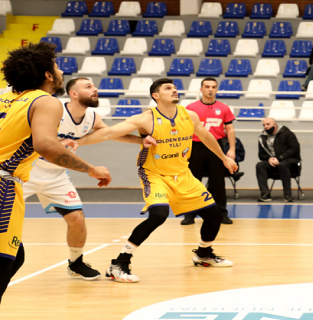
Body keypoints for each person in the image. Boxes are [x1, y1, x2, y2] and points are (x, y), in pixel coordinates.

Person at [75, 78, 238, 283]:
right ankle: (119, 263)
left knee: (214, 215)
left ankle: (203, 254)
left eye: (175, 87)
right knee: (159, 214)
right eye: (168, 88)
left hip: (182, 174)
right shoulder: (146, 118)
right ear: (156, 96)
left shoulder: (189, 115)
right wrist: (76, 142)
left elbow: (206, 137)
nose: (174, 90)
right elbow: (109, 133)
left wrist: (224, 158)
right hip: (155, 174)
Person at [0, 43, 110, 303]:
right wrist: (90, 168)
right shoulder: (45, 101)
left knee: (16, 256)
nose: (61, 72)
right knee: (4, 262)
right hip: (4, 184)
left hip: (18, 178)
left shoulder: (5, 96)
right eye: (57, 67)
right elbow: (46, 145)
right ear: (48, 75)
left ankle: (76, 262)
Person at [24, 77, 143, 280]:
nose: (95, 89)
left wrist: (142, 140)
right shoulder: (54, 110)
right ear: (73, 94)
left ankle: (75, 263)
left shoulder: (92, 117)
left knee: (77, 218)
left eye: (94, 86)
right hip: (27, 172)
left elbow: (109, 133)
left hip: (57, 176)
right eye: (88, 87)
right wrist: (87, 166)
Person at [182, 78, 237, 225]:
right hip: (195, 147)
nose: (210, 89)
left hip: (216, 147)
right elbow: (184, 130)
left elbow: (230, 130)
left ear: (217, 89)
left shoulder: (224, 108)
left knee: (218, 182)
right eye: (207, 86)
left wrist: (232, 149)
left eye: (213, 87)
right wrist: (184, 150)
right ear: (201, 89)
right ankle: (189, 214)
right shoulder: (191, 108)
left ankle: (221, 214)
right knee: (193, 182)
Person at [256, 117, 301, 203]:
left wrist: (279, 158)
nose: (265, 127)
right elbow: (261, 154)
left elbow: (294, 149)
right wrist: (269, 158)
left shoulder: (288, 134)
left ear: (275, 125)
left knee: (282, 164)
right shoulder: (262, 138)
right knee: (260, 165)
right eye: (264, 125)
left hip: (290, 163)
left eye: (268, 124)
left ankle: (287, 194)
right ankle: (265, 194)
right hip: (273, 163)